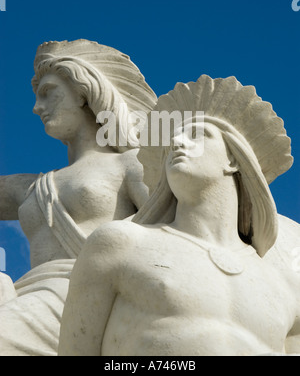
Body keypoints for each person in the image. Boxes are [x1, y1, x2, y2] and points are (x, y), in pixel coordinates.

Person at [59, 75, 300, 356]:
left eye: (197, 134)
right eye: (174, 137)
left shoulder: (282, 284)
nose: (177, 141)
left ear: (233, 160)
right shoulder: (121, 244)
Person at [0, 39, 157, 356]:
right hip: (28, 296)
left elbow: (173, 232)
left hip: (90, 298)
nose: (36, 107)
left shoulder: (131, 164)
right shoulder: (31, 187)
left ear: (85, 93)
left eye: (48, 92)